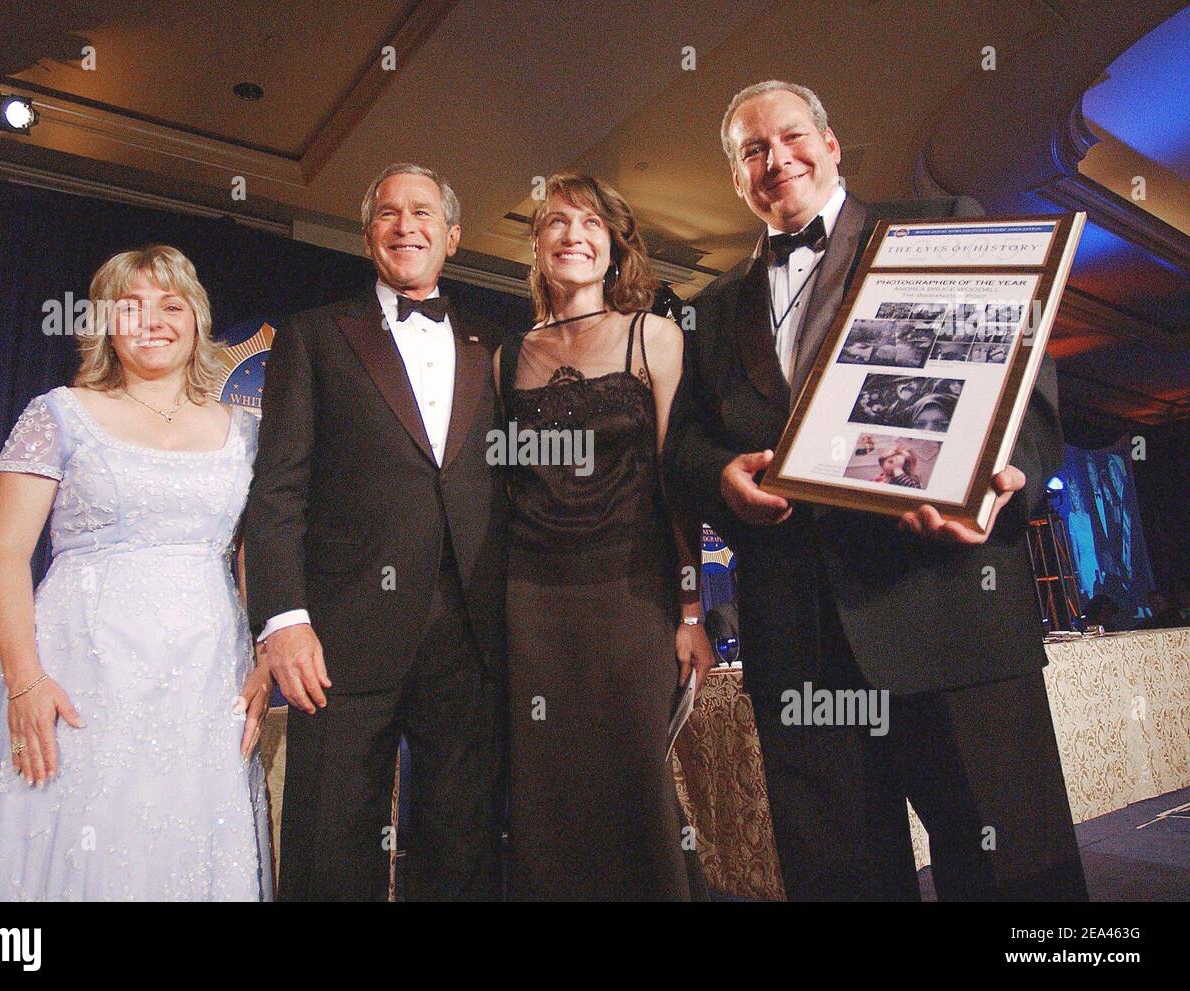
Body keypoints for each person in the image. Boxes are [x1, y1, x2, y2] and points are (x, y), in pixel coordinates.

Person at [664, 80, 1087, 901]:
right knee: (841, 882)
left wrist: (1009, 473)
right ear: (736, 177)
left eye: (790, 137)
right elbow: (682, 446)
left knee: (1014, 877)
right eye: (752, 150)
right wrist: (718, 475)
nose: (774, 159)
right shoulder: (709, 309)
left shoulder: (940, 229)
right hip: (801, 640)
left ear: (830, 144)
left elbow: (1024, 390)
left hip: (948, 608)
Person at [0, 245, 273, 901]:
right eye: (133, 306)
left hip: (205, 679)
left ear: (197, 320)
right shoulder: (59, 413)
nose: (153, 320)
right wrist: (26, 679)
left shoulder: (246, 431)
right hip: (77, 675)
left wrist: (264, 654)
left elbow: (255, 551)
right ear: (104, 323)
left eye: (171, 305)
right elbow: (3, 555)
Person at [243, 163, 508, 901]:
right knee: (329, 842)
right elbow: (277, 492)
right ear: (367, 238)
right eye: (388, 214)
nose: (406, 225)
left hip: (468, 633)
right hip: (338, 636)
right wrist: (283, 620)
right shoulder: (313, 336)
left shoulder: (498, 347)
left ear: (452, 236)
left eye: (423, 212)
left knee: (460, 843)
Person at [494, 172, 712, 901]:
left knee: (636, 782)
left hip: (631, 598)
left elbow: (677, 484)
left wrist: (690, 611)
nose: (573, 236)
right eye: (556, 222)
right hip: (531, 601)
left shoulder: (655, 336)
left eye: (591, 224)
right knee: (545, 790)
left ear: (615, 246)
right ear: (538, 244)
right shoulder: (507, 356)